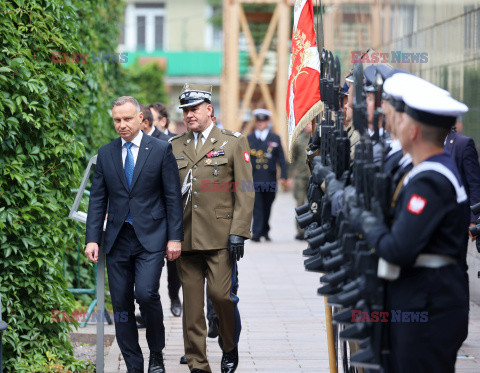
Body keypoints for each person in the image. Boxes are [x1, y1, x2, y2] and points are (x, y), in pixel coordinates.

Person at [352, 78, 470, 373]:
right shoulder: (427, 172)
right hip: (420, 299)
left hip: (428, 306)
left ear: (414, 130)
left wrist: (366, 222)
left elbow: (397, 248)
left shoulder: (431, 180)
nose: (394, 122)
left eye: (401, 118)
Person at [85, 96, 183, 373]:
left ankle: (156, 353)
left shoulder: (161, 150)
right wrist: (92, 238)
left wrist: (175, 238)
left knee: (147, 293)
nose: (122, 125)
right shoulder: (106, 154)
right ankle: (133, 364)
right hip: (117, 240)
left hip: (151, 238)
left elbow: (172, 197)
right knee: (122, 303)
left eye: (128, 119)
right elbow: (97, 201)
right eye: (117, 120)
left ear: (141, 119)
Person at [170, 84, 254, 373]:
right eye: (185, 110)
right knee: (192, 309)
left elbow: (245, 190)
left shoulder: (232, 142)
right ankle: (197, 364)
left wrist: (239, 232)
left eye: (194, 109)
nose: (189, 114)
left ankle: (229, 346)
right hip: (185, 238)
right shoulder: (175, 145)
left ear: (210, 110)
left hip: (221, 236)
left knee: (221, 296)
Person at [138, 104, 182, 318]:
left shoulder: (170, 143)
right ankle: (149, 309)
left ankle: (174, 296)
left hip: (167, 213)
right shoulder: (135, 143)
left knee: (173, 264)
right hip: (149, 218)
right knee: (149, 267)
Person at [247, 109, 287, 241]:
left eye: (263, 121)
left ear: (267, 122)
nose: (260, 123)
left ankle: (265, 230)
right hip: (254, 178)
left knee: (267, 205)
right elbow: (244, 159)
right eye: (258, 121)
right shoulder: (249, 138)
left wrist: (284, 175)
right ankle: (256, 233)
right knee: (257, 206)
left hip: (270, 178)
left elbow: (281, 158)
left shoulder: (275, 138)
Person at [288, 122, 312, 240]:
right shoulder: (299, 141)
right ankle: (300, 230)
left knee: (313, 204)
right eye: (307, 124)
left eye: (311, 124)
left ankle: (311, 229)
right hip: (300, 177)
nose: (309, 126)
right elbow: (292, 160)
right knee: (300, 203)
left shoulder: (317, 139)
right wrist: (289, 177)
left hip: (312, 176)